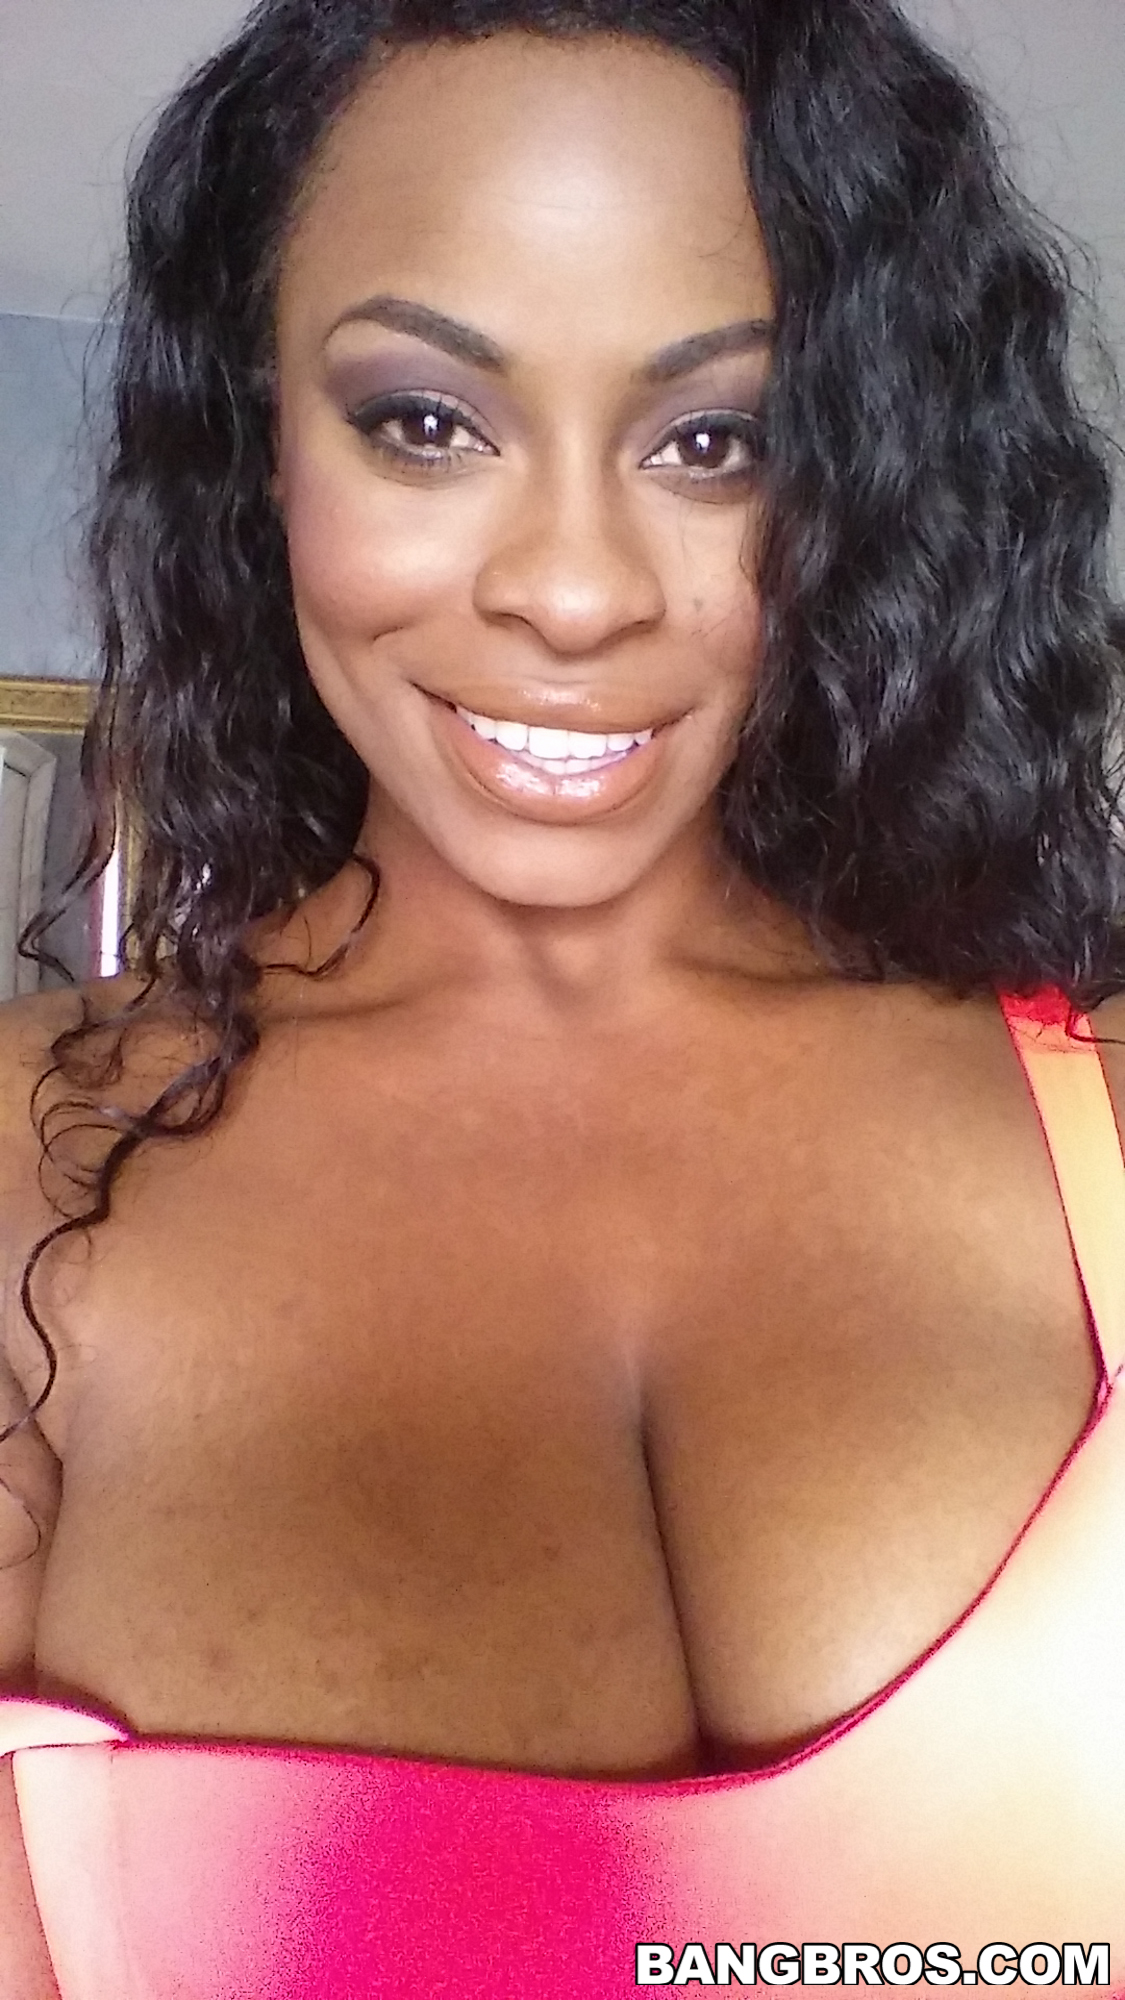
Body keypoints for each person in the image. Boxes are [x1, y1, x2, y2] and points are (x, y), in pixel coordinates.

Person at [1, 0, 1125, 1991]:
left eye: (712, 440)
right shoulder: (25, 1164)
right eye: (425, 422)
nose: (576, 589)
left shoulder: (1097, 1114)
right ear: (259, 443)